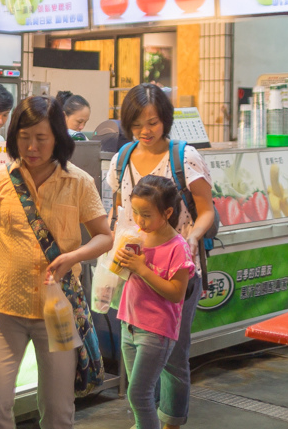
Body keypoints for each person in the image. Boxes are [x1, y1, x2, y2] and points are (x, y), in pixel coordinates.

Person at [0, 95, 112, 429]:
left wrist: (73, 256)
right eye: (24, 137)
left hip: (58, 310)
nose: (32, 146)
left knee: (57, 411)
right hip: (5, 306)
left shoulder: (79, 182)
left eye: (41, 137)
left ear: (57, 137)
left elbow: (104, 236)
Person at [107, 83, 215, 429]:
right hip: (133, 274)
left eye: (152, 123)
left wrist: (193, 238)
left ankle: (171, 421)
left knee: (172, 356)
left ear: (165, 120)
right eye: (137, 124)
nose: (145, 131)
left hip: (176, 273)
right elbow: (119, 212)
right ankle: (146, 418)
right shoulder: (121, 158)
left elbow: (206, 210)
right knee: (138, 354)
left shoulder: (185, 157)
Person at [115, 176, 195, 429]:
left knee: (138, 394)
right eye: (135, 212)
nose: (139, 220)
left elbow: (176, 294)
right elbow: (123, 275)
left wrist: (142, 268)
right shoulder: (137, 237)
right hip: (128, 323)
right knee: (139, 393)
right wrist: (119, 261)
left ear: (168, 212)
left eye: (146, 214)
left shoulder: (177, 248)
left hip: (156, 331)